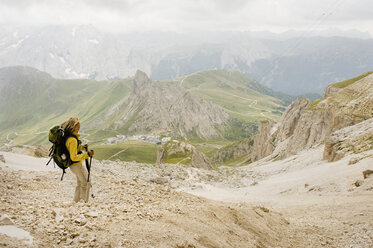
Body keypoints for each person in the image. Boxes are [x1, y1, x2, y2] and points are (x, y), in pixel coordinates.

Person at [61, 117, 94, 203]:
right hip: (76, 165)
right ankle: (83, 202)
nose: (79, 126)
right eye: (78, 125)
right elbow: (74, 157)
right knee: (86, 182)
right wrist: (87, 155)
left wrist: (82, 148)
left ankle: (76, 201)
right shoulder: (73, 140)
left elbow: (73, 149)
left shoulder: (70, 137)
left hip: (74, 165)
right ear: (74, 126)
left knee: (80, 182)